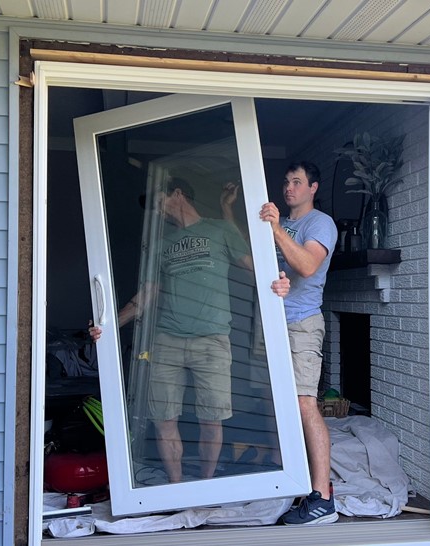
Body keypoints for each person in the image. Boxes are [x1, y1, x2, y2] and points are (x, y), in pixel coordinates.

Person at [90, 177, 289, 484]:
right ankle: (177, 487)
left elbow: (256, 267)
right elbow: (146, 295)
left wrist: (279, 281)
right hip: (167, 340)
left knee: (212, 420)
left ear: (178, 194)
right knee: (163, 419)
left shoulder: (220, 230)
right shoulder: (160, 244)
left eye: (158, 201)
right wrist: (107, 325)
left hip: (212, 340)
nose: (156, 210)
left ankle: (205, 488)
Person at [259, 161, 339, 525]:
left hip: (301, 324)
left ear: (313, 188)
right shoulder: (282, 226)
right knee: (273, 404)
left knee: (305, 402)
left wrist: (276, 228)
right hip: (271, 323)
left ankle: (322, 497)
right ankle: (288, 479)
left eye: (297, 182)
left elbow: (307, 266)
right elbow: (263, 267)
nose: (289, 188)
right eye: (286, 182)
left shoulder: (318, 223)